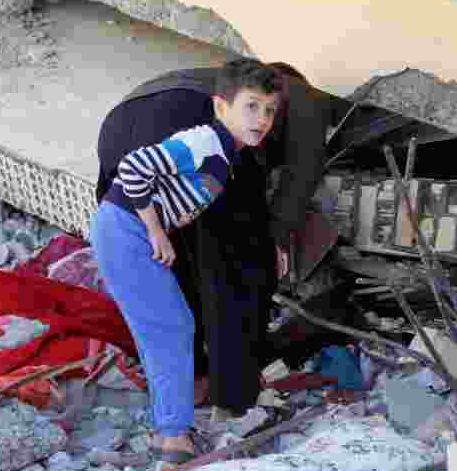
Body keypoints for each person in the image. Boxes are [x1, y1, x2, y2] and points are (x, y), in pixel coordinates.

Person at [96, 58, 334, 421]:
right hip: (186, 116)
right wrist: (276, 235)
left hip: (118, 124)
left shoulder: (223, 81)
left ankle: (188, 383)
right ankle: (234, 398)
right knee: (240, 269)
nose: (265, 118)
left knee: (168, 263)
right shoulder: (304, 98)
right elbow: (304, 171)